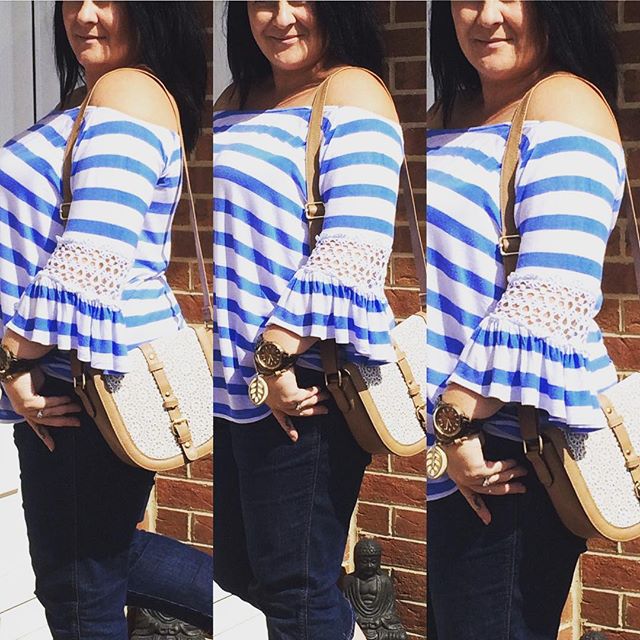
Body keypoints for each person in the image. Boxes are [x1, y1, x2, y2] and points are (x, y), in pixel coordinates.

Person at [0, 1, 212, 637]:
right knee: (88, 569)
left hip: (77, 379)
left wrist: (12, 359)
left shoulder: (129, 92)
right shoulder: (94, 94)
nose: (85, 14)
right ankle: (291, 597)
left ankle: (295, 601)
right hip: (63, 374)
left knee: (79, 590)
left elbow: (91, 254)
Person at [426, 1, 625, 638]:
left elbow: (551, 294)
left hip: (510, 452)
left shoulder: (567, 105)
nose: (486, 15)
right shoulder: (447, 113)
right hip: (450, 450)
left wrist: (456, 422)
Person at [213, 1, 404, 638]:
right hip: (236, 388)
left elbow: (354, 247)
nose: (280, 17)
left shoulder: (352, 92)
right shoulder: (237, 98)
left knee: (296, 588)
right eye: (262, 3)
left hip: (304, 382)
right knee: (240, 568)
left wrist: (276, 357)